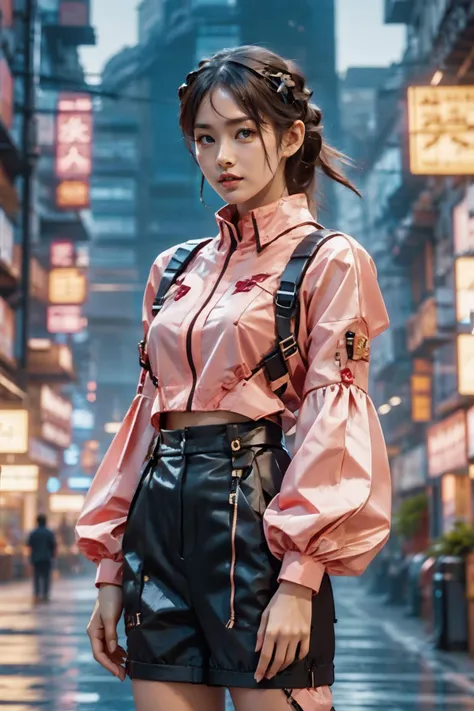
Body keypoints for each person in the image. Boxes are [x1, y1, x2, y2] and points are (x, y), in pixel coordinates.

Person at [75, 45, 391, 711]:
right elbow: (144, 418)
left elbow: (331, 418)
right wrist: (110, 571)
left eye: (245, 133)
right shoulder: (172, 270)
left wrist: (300, 578)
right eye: (206, 137)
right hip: (157, 527)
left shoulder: (330, 259)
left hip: (257, 524)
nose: (224, 156)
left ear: (292, 135)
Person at [27, 514, 57, 603]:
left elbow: (29, 546)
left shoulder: (33, 533)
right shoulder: (49, 533)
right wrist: (53, 556)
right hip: (47, 558)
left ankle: (36, 594)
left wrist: (29, 557)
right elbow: (53, 546)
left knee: (36, 577)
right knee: (46, 577)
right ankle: (45, 595)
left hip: (36, 558)